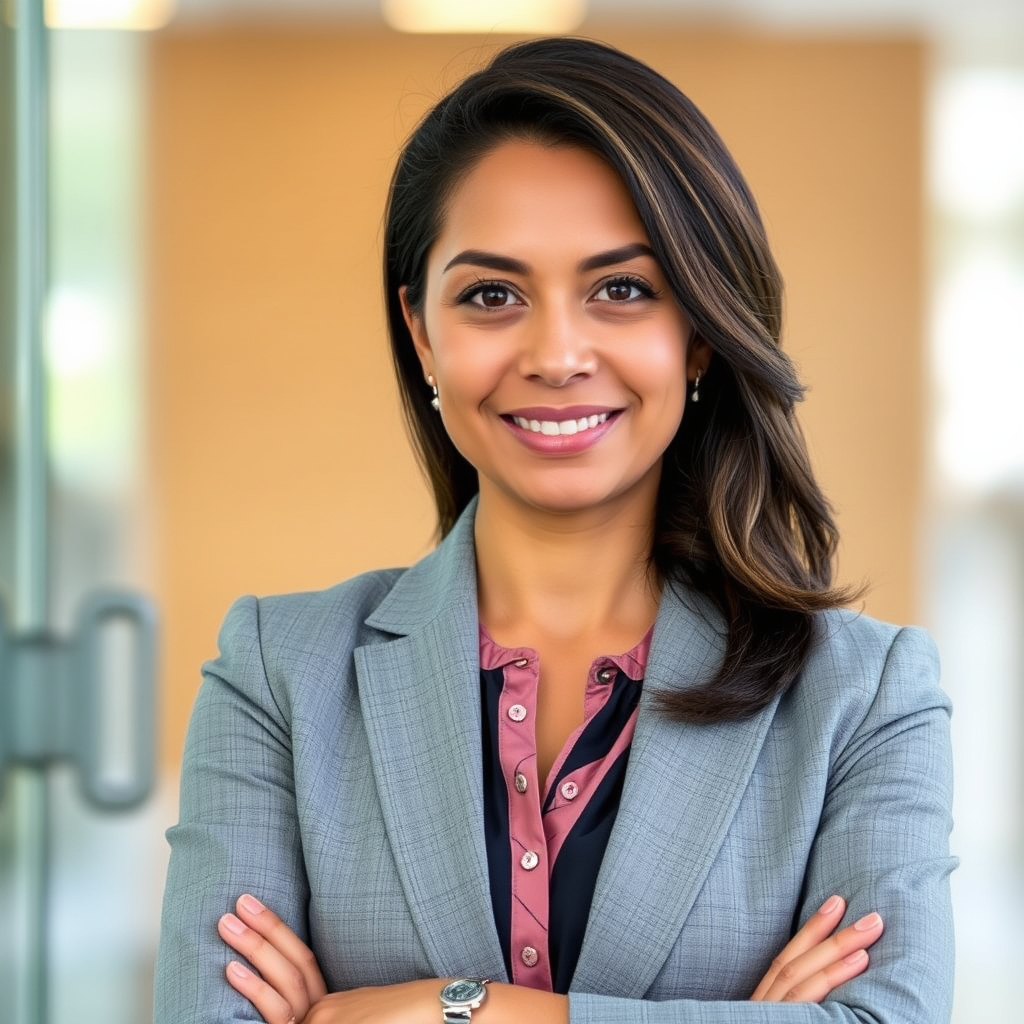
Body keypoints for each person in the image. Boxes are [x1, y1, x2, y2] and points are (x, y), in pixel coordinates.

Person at [154, 36, 956, 1024]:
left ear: (697, 330)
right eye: (492, 295)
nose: (557, 353)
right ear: (422, 334)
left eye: (621, 289)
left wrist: (466, 1011)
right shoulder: (278, 672)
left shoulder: (861, 699)